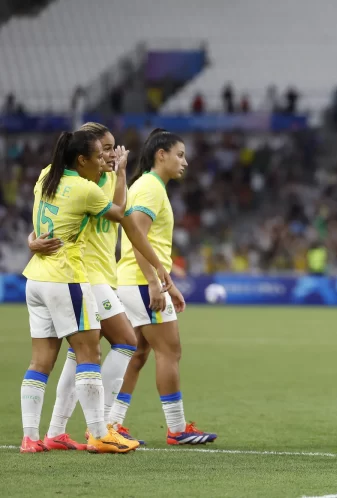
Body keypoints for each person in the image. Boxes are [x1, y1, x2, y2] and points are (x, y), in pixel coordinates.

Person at [28, 123, 171, 449]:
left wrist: (119, 174)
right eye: (104, 148)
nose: (111, 153)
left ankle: (56, 431)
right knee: (124, 340)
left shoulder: (102, 177)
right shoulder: (84, 182)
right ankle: (101, 424)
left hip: (101, 274)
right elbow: (119, 218)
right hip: (86, 275)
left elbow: (115, 210)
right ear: (85, 155)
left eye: (113, 147)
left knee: (79, 355)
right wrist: (155, 274)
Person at [112, 129, 217, 445]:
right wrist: (156, 285)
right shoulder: (150, 188)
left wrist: (167, 284)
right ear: (162, 155)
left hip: (136, 281)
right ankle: (177, 429)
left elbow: (144, 239)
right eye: (180, 154)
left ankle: (112, 423)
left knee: (139, 352)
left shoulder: (149, 186)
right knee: (169, 350)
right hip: (142, 282)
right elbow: (137, 238)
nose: (185, 161)